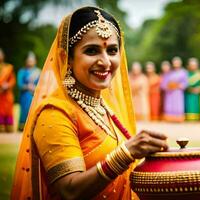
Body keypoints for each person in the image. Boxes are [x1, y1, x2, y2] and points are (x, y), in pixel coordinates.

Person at [11, 7, 168, 200]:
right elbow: (69, 190)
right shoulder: (55, 112)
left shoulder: (104, 109)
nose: (105, 62)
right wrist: (126, 153)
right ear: (66, 58)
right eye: (92, 51)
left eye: (112, 50)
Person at [17, 52, 41, 131]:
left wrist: (35, 88)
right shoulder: (22, 71)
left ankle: (33, 127)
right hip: (25, 95)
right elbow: (19, 84)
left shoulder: (38, 72)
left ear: (35, 61)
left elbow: (42, 84)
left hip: (35, 95)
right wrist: (27, 87)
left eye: (32, 60)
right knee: (25, 110)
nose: (30, 62)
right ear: (26, 61)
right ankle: (22, 126)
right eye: (29, 60)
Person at [161, 56, 188, 122]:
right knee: (169, 105)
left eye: (177, 63)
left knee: (178, 105)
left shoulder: (183, 72)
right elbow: (163, 84)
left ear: (180, 63)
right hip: (170, 93)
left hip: (178, 92)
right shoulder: (169, 73)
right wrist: (169, 86)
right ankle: (169, 119)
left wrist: (178, 85)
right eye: (175, 63)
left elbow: (186, 83)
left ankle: (178, 119)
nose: (176, 64)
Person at [0, 48, 16, 133]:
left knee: (8, 111)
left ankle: (9, 129)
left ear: (3, 56)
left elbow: (12, 80)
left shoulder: (8, 68)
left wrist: (7, 85)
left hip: (6, 94)